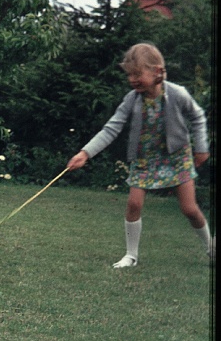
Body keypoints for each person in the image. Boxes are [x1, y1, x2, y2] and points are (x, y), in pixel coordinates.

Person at [67, 43, 213, 268]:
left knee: (190, 209)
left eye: (137, 74)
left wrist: (201, 148)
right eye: (130, 75)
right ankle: (131, 256)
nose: (132, 80)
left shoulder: (177, 93)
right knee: (133, 204)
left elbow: (198, 117)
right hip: (144, 159)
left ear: (157, 71)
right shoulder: (131, 99)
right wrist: (85, 153)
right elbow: (111, 129)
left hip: (177, 157)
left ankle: (211, 248)